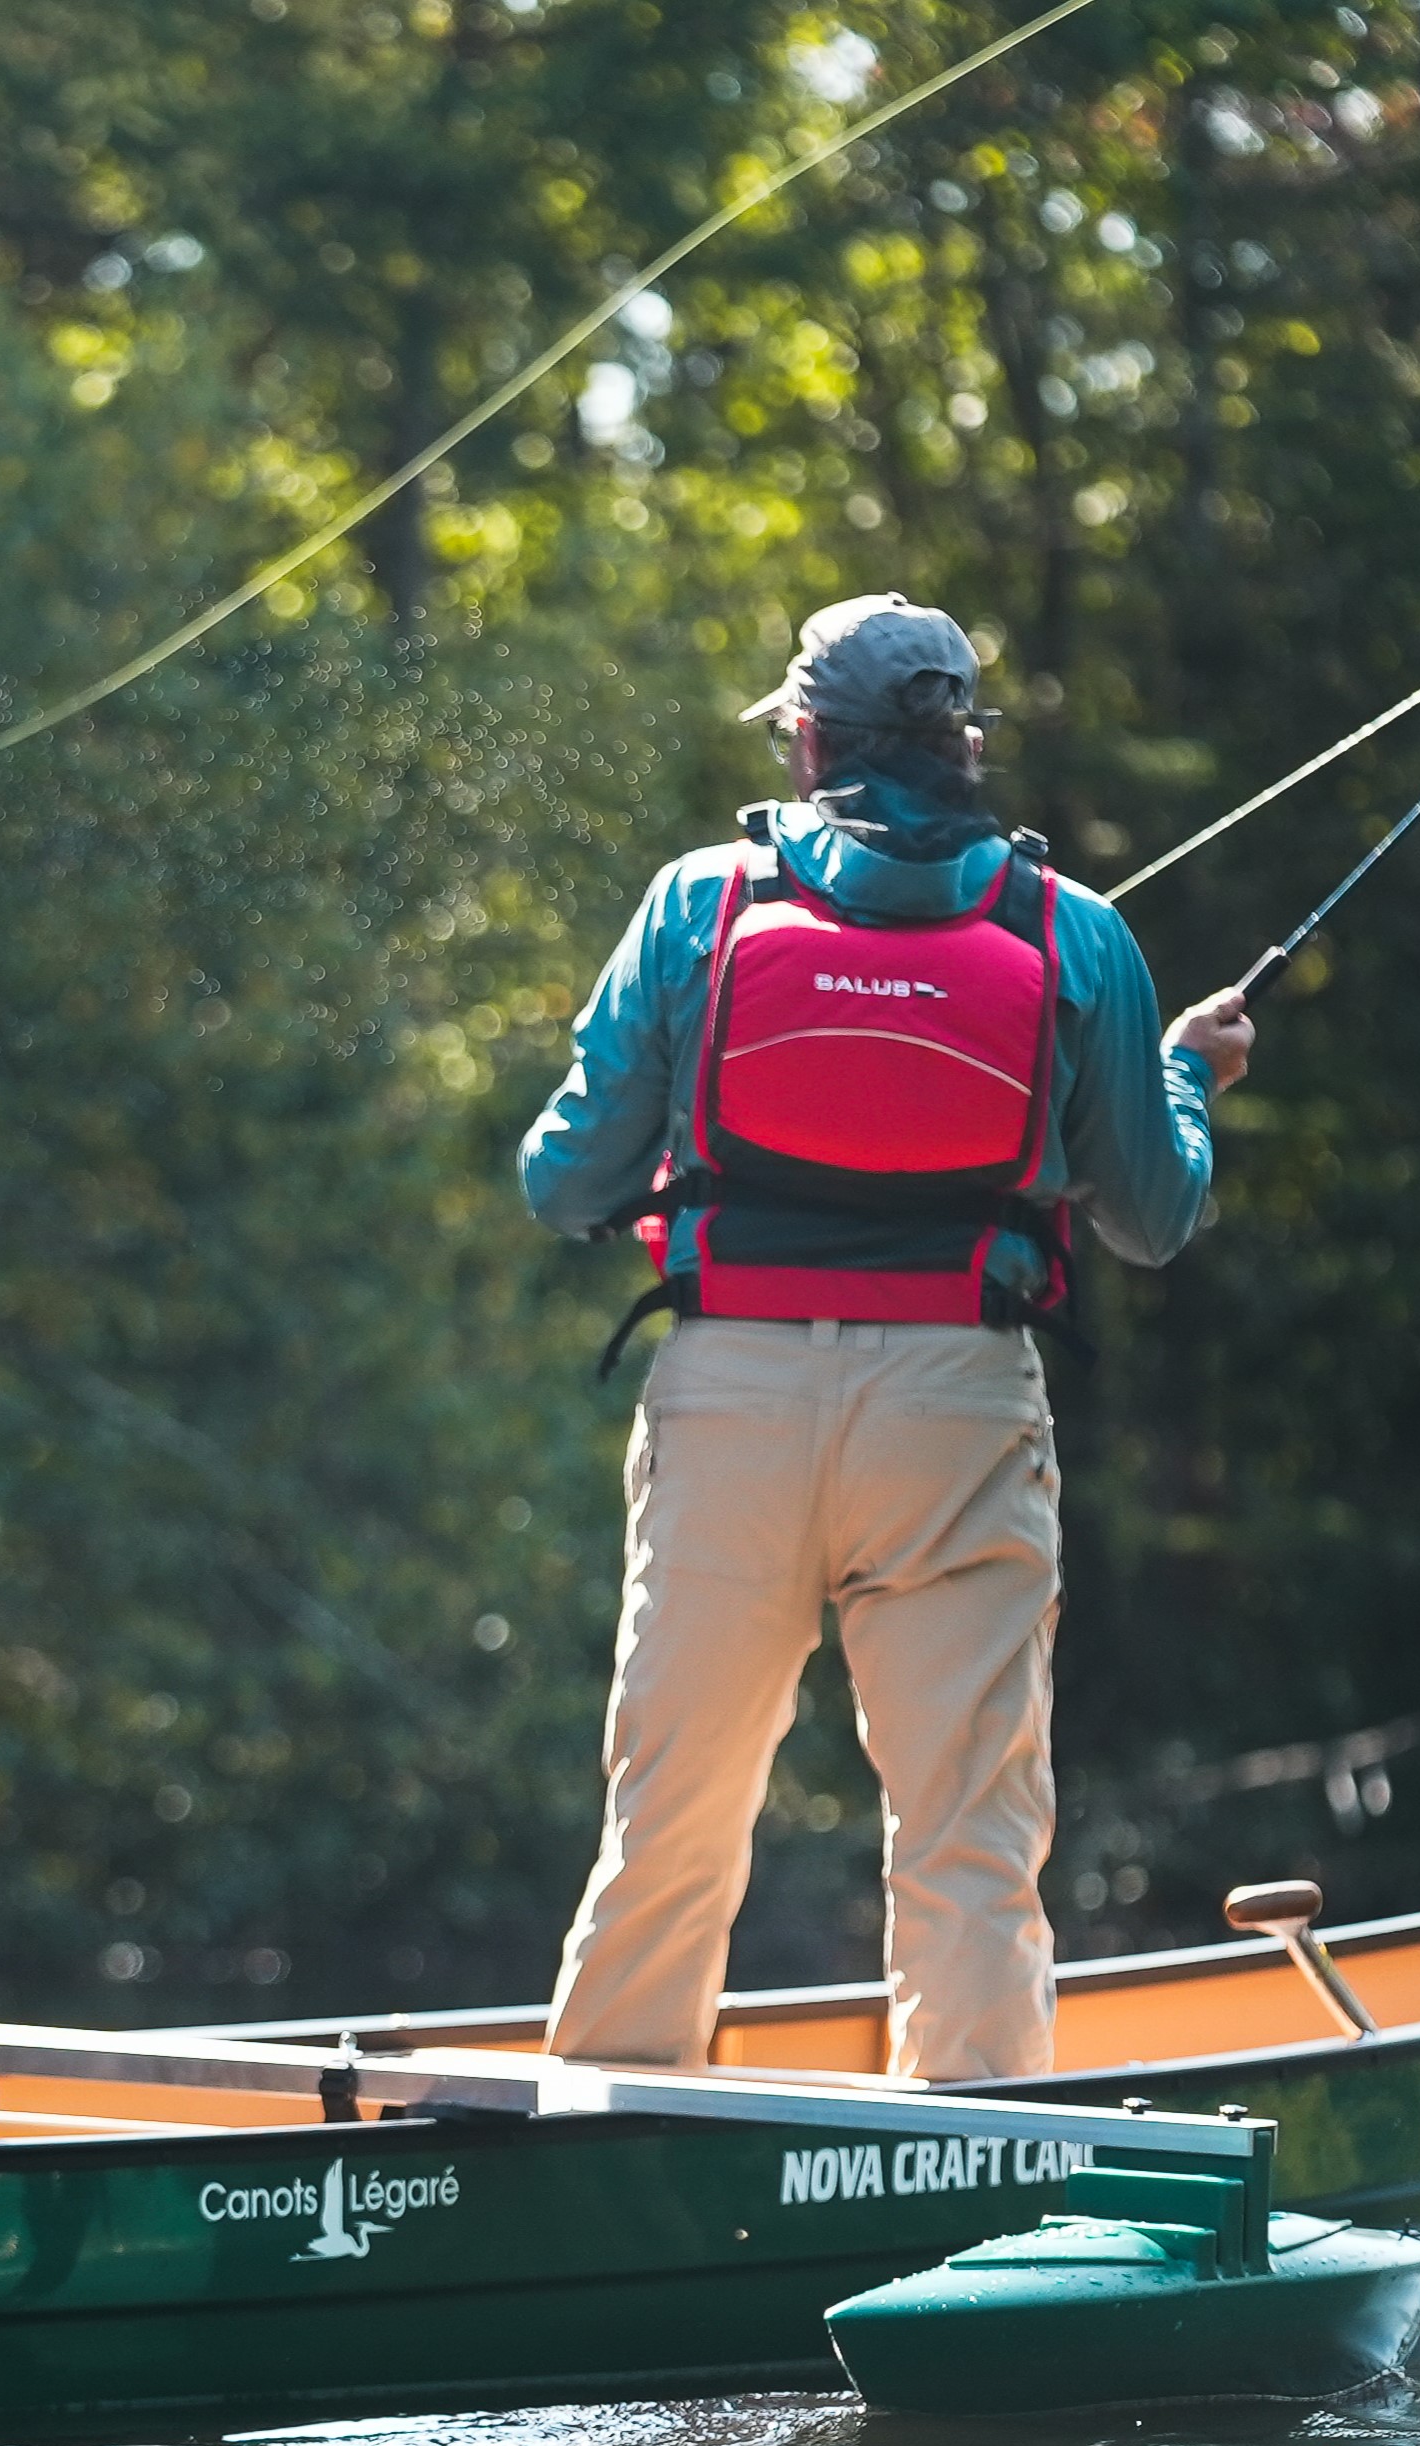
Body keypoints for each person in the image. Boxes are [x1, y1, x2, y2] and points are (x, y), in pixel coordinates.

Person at [518, 594, 1254, 2083]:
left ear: (808, 741)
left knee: (672, 1815)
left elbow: (563, 1181)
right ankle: (975, 2168)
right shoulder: (1079, 934)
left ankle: (602, 2149)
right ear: (965, 744)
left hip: (732, 1398)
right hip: (957, 1406)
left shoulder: (697, 904)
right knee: (968, 1825)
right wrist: (1183, 1075)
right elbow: (1150, 1217)